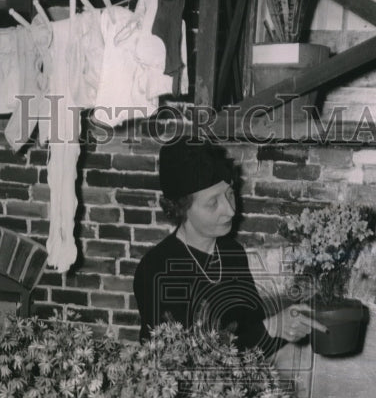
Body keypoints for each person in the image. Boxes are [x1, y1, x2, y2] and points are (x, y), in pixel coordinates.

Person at [133, 137, 325, 353]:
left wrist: (287, 326)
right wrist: (271, 327)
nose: (230, 210)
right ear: (181, 208)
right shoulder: (155, 269)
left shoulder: (231, 252)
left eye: (230, 194)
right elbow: (183, 362)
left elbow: (254, 336)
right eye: (213, 203)